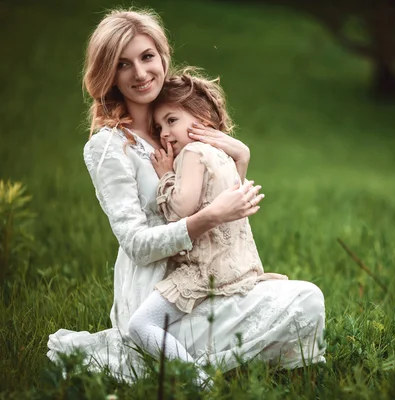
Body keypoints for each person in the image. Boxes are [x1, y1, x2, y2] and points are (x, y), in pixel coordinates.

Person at [47, 8, 326, 383]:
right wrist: (203, 220)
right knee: (285, 308)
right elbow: (136, 243)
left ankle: (215, 358)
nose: (141, 73)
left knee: (307, 298)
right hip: (156, 296)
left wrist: (241, 158)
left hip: (209, 274)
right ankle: (195, 369)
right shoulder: (109, 147)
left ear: (163, 56)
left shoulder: (181, 125)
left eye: (147, 57)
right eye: (123, 64)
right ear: (108, 75)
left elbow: (222, 206)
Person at [126, 66, 290, 369]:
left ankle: (196, 380)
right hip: (240, 268)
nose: (164, 134)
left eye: (171, 120)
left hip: (203, 269)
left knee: (140, 325)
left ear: (202, 119)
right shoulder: (225, 156)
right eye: (159, 127)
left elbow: (181, 210)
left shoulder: (193, 154)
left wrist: (165, 177)